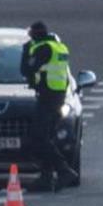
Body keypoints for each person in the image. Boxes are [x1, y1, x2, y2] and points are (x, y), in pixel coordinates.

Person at [20, 21, 79, 191]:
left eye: (31, 33)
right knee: (48, 137)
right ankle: (46, 177)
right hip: (58, 96)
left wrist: (25, 51)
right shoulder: (59, 47)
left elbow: (26, 69)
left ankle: (64, 170)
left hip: (47, 97)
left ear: (36, 34)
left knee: (39, 137)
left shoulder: (42, 48)